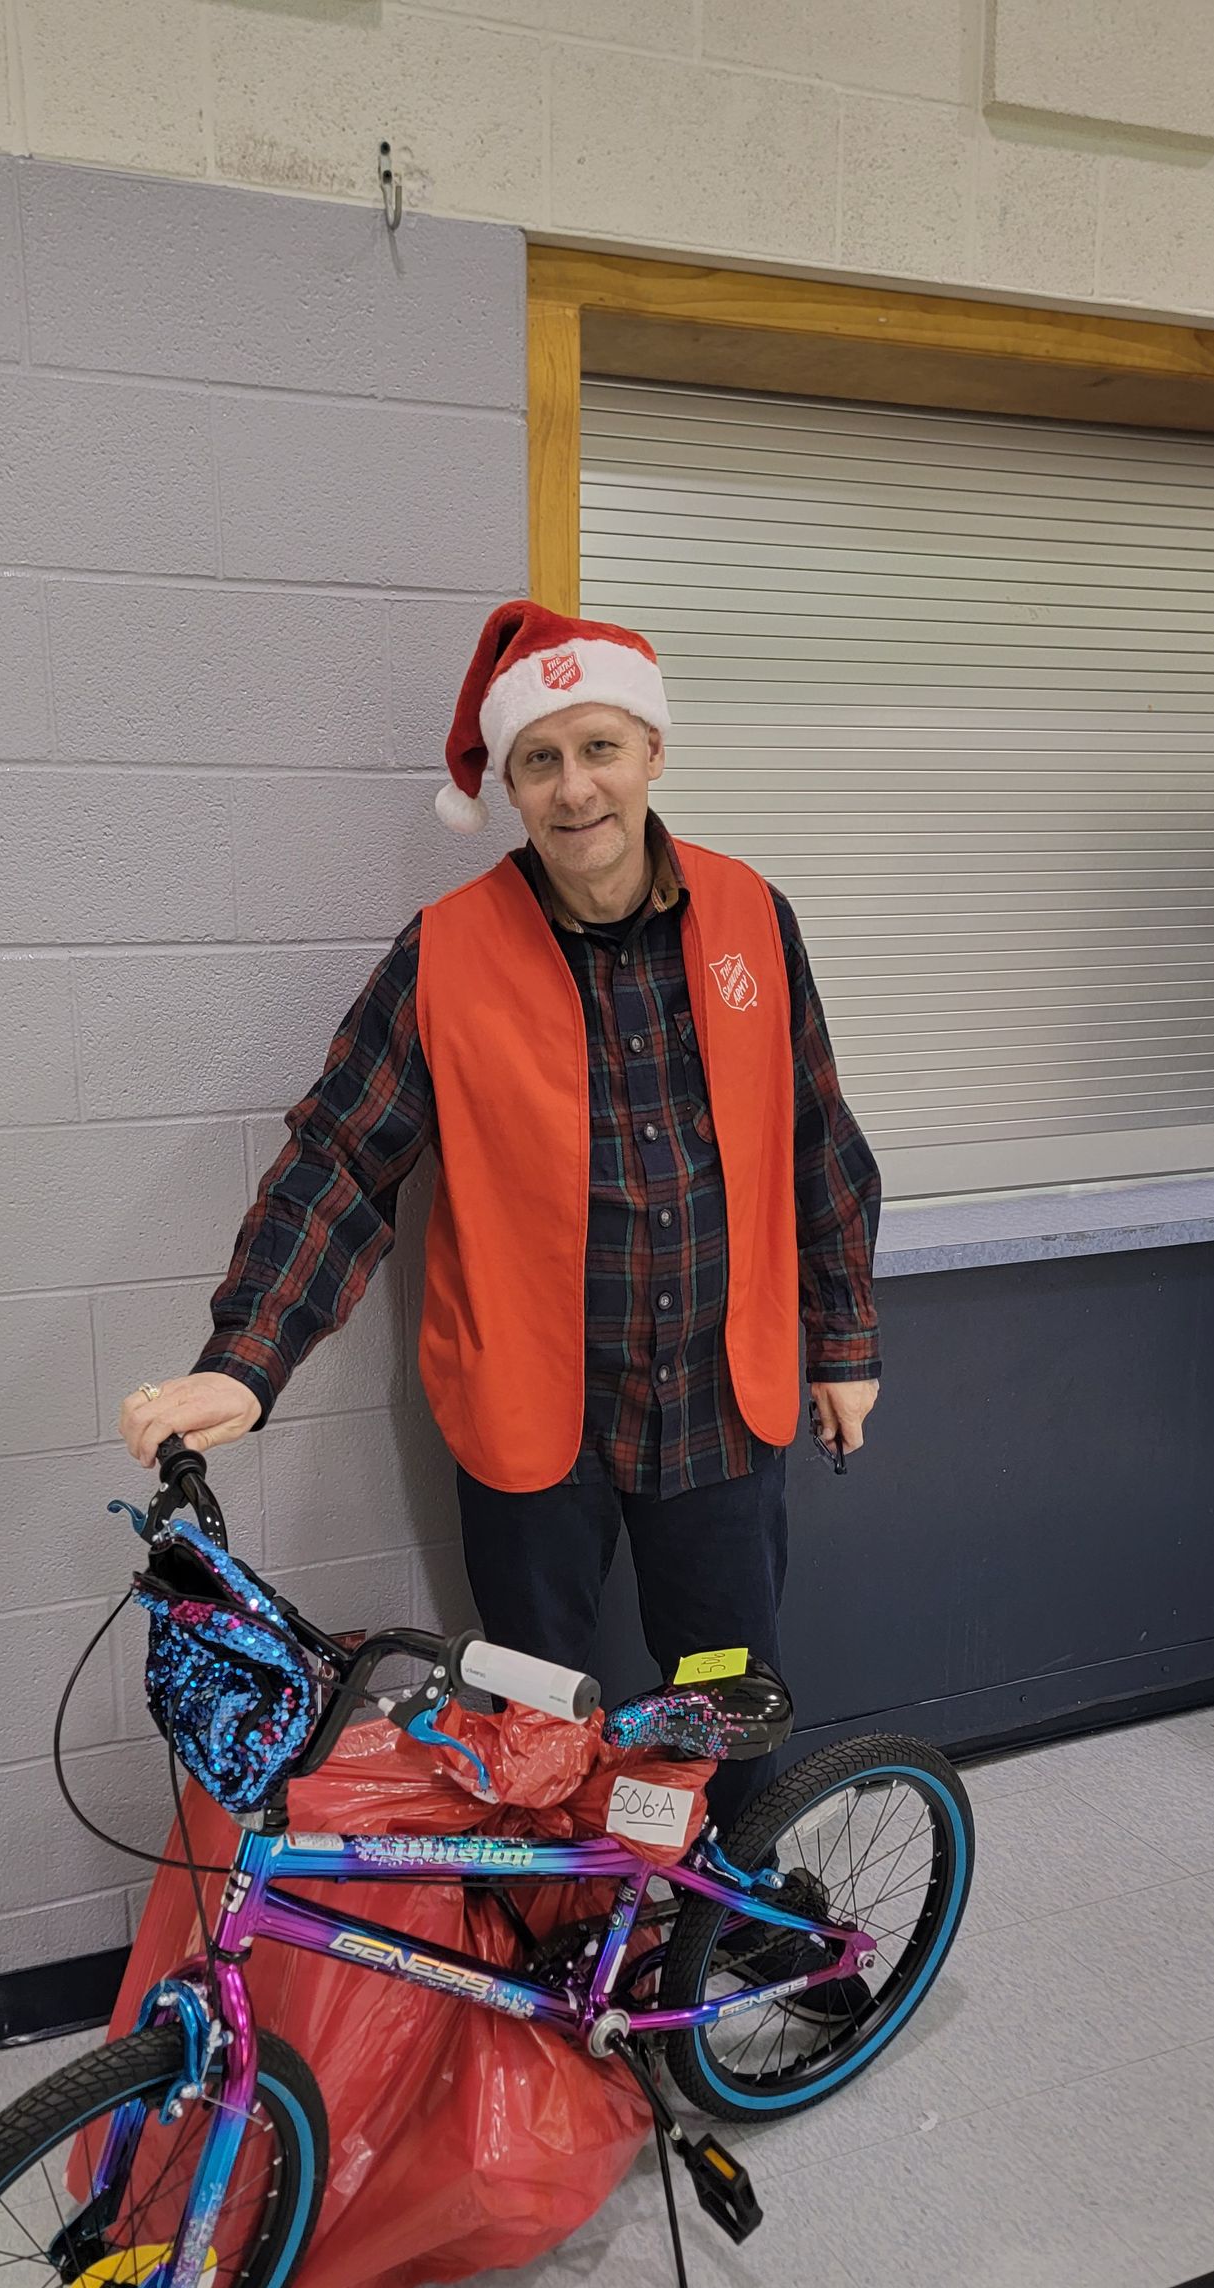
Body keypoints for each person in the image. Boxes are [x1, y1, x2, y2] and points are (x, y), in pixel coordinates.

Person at [119, 599, 881, 1739]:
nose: (575, 789)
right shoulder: (446, 954)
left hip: (728, 1398)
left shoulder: (754, 918)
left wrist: (846, 1343)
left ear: (652, 753)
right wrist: (247, 1359)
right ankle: (556, 1916)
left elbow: (818, 1136)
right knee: (534, 1725)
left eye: (599, 749)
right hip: (537, 1426)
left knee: (723, 1704)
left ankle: (717, 1919)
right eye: (541, 761)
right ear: (510, 789)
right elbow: (337, 1159)